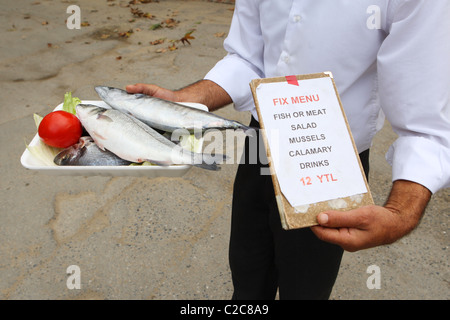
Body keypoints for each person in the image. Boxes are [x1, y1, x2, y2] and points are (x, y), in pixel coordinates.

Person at [126, 1, 450, 299]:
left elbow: (424, 125)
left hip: (328, 161)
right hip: (260, 143)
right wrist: (183, 103)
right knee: (247, 276)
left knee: (305, 290)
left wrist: (400, 214)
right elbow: (247, 58)